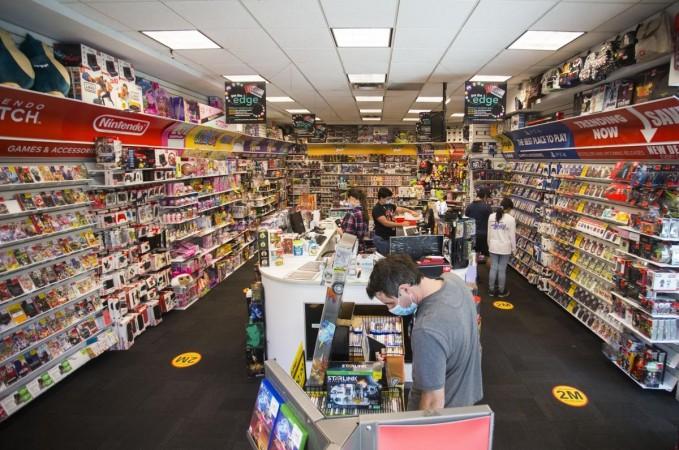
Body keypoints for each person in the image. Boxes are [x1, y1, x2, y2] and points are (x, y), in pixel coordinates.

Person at [366, 254, 483, 410]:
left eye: (390, 303)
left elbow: (433, 403)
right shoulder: (454, 281)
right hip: (466, 395)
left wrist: (417, 431)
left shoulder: (427, 329)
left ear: (404, 289)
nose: (390, 309)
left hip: (447, 414)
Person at [371, 187, 417, 255]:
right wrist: (401, 224)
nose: (389, 200)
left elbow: (399, 209)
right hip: (382, 239)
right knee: (385, 257)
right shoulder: (377, 209)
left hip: (389, 237)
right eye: (388, 199)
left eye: (390, 198)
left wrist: (411, 211)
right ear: (381, 198)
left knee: (390, 255)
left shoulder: (389, 205)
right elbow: (385, 223)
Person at [487, 197, 516, 297]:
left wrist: (489, 244)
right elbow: (512, 236)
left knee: (493, 267)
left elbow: (489, 233)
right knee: (502, 269)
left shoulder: (491, 217)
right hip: (505, 247)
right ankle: (501, 291)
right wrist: (514, 249)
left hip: (493, 246)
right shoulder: (511, 220)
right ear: (508, 208)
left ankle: (491, 290)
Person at [465, 187, 492, 262]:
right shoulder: (487, 207)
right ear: (485, 196)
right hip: (484, 235)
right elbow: (491, 221)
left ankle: (473, 273)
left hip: (472, 235)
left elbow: (466, 219)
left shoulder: (469, 206)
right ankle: (491, 273)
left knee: (473, 257)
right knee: (488, 257)